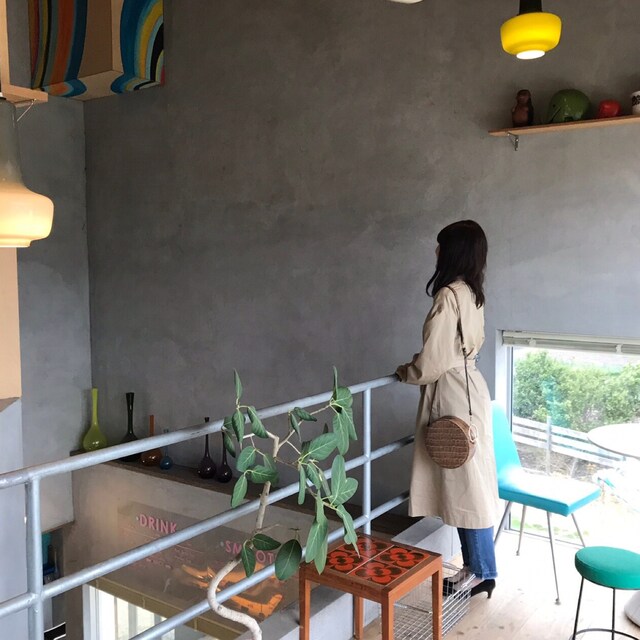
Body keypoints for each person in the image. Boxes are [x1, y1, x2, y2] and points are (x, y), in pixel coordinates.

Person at [395, 219, 499, 598]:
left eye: (441, 245)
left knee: (465, 485)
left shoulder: (448, 295)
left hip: (452, 393)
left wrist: (407, 371)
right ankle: (479, 568)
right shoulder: (472, 293)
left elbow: (433, 361)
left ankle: (481, 571)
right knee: (471, 482)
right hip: (471, 388)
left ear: (453, 251)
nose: (436, 251)